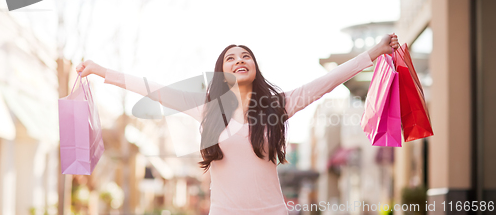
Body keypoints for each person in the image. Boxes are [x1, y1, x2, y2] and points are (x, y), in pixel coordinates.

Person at [76, 34, 399, 214]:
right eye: (230, 58)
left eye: (245, 56)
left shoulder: (278, 105)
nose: (239, 60)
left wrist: (374, 51)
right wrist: (102, 70)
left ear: (255, 66)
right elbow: (153, 89)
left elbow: (328, 81)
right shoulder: (207, 110)